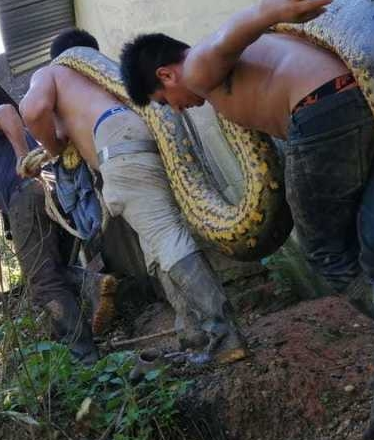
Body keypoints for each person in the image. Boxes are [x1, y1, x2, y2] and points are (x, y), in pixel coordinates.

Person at [117, 0, 374, 440]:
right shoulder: (236, 73)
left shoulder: (197, 67)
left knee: (326, 254)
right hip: (366, 103)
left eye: (164, 101)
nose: (177, 109)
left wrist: (270, 7)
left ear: (165, 75)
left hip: (321, 116)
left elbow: (222, 40)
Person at [17, 29, 248, 364]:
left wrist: (52, 148)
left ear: (60, 56)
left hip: (117, 145)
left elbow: (33, 110)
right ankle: (194, 335)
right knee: (154, 248)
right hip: (135, 137)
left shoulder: (52, 72)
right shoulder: (104, 78)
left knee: (167, 237)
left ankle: (225, 336)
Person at [0, 103, 100, 363]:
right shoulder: (1, 142)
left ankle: (84, 357)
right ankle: (95, 284)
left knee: (42, 283)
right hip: (42, 195)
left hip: (27, 199)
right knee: (52, 271)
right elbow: (14, 174)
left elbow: (5, 111)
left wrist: (22, 156)